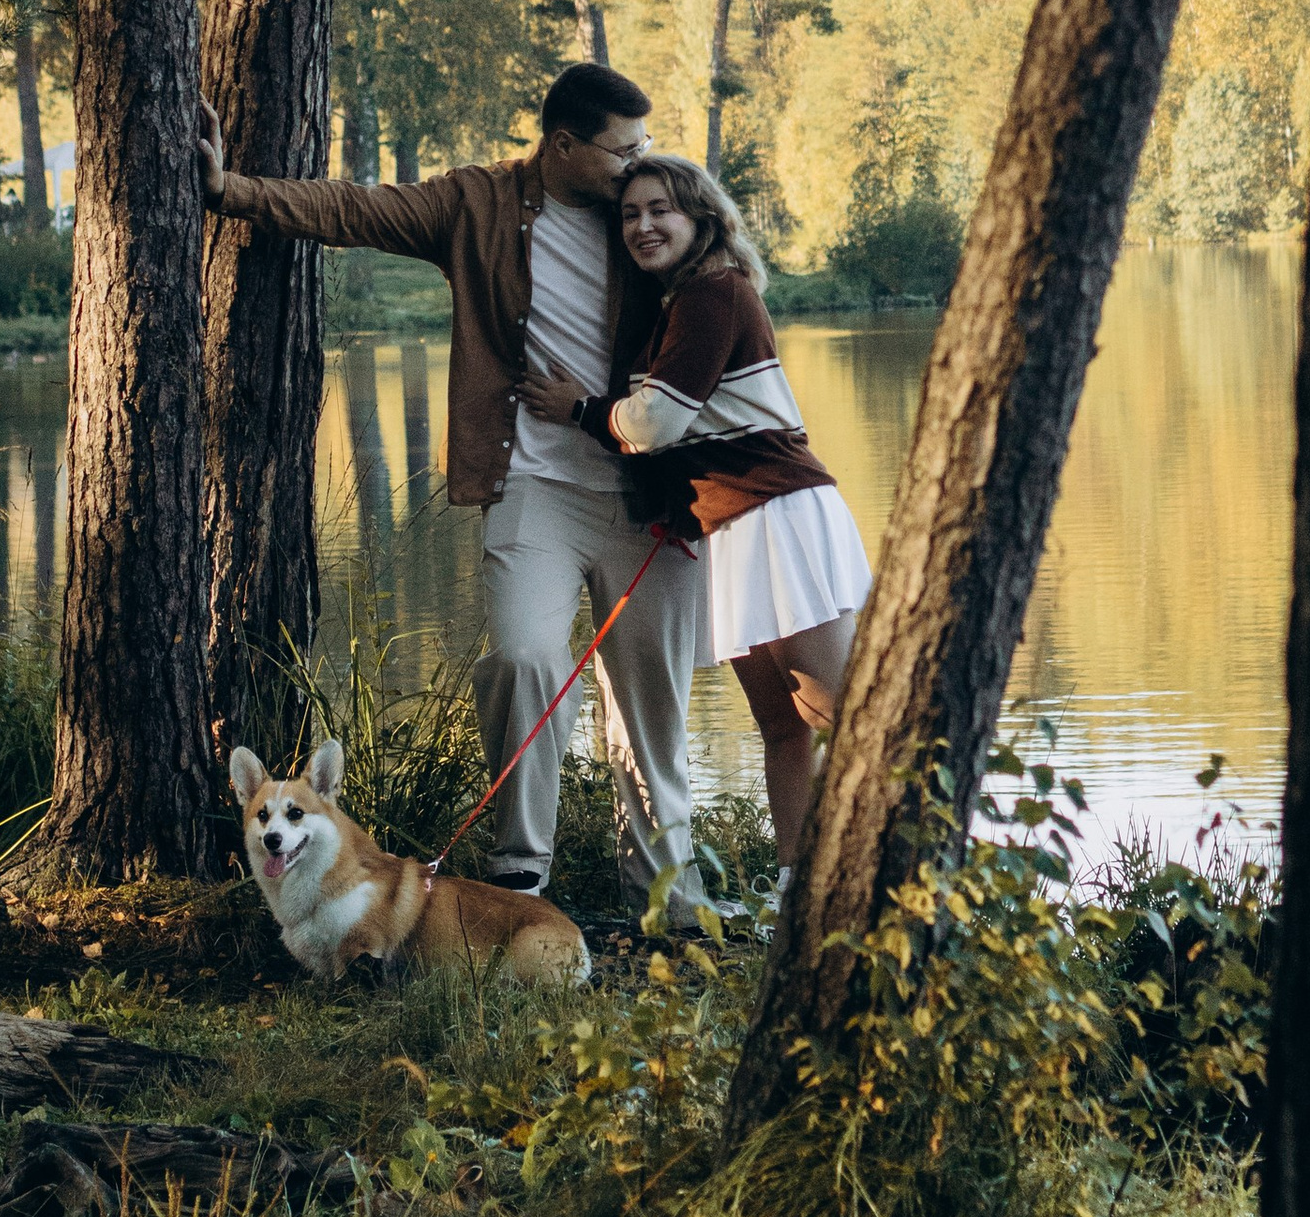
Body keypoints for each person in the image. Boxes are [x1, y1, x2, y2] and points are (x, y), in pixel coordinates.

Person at [197, 63, 706, 925]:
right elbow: (356, 209)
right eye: (623, 150)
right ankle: (520, 877)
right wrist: (232, 190)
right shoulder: (476, 204)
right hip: (533, 485)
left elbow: (729, 304)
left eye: (644, 149)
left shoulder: (651, 211)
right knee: (523, 656)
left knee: (650, 702)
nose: (637, 165)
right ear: (564, 147)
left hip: (643, 494)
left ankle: (666, 898)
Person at [519, 151, 871, 901]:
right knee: (782, 724)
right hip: (732, 531)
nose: (643, 226)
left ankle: (927, 878)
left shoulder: (716, 293)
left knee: (849, 717)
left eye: (660, 211)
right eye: (631, 214)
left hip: (781, 516)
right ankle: (799, 889)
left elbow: (654, 424)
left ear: (701, 218)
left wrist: (579, 409)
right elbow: (684, 439)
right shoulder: (673, 307)